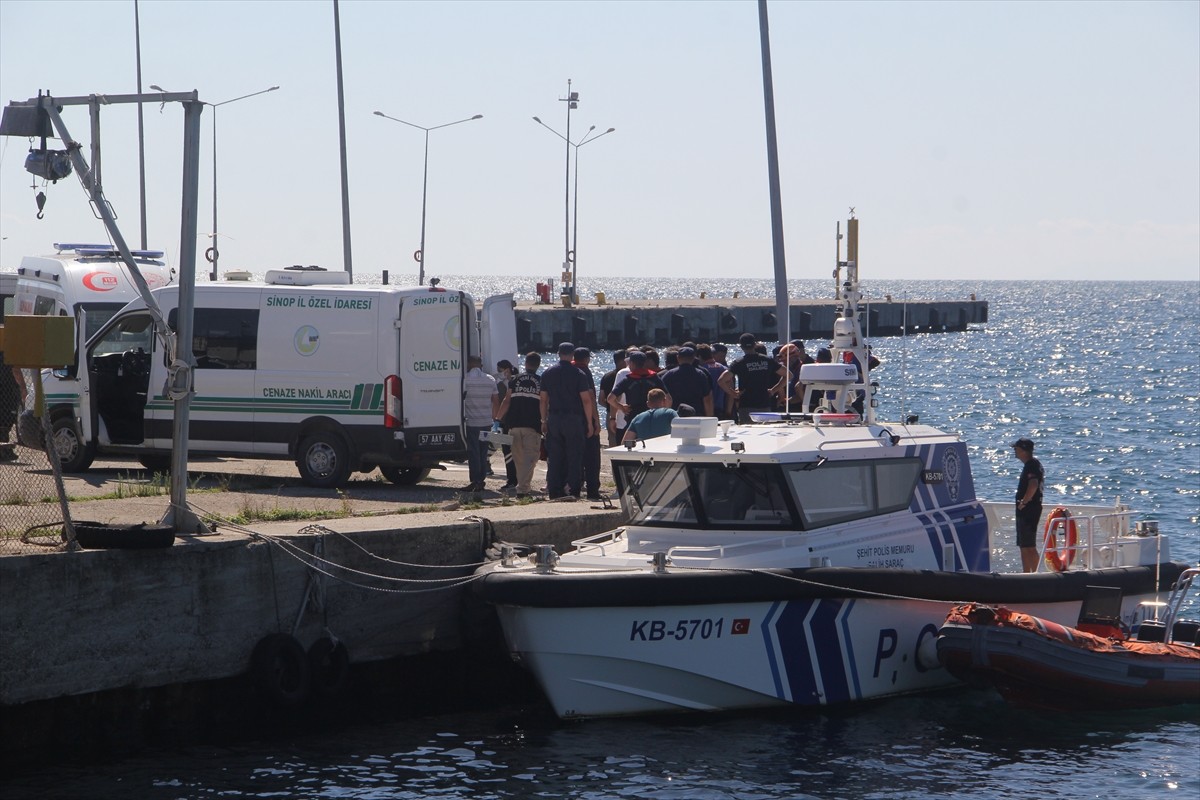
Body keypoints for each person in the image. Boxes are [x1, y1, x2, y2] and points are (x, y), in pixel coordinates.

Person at [539, 342, 596, 499]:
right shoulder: (578, 373)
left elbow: (543, 400)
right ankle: (572, 489)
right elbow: (586, 400)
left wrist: (543, 420)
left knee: (555, 455)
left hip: (554, 418)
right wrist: (590, 423)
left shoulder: (548, 373)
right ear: (572, 355)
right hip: (573, 418)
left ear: (558, 353)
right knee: (574, 455)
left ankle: (554, 490)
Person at [497, 352, 542, 498]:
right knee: (530, 458)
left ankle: (522, 487)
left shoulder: (515, 380)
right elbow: (544, 403)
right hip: (532, 425)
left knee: (518, 458)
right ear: (538, 365)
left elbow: (507, 401)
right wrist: (545, 421)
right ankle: (522, 489)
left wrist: (498, 419)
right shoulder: (540, 381)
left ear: (526, 363)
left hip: (513, 425)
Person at [718, 332, 784, 423]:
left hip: (747, 405)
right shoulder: (767, 360)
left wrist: (733, 394)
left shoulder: (739, 363)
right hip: (765, 404)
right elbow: (788, 375)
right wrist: (774, 389)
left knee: (748, 434)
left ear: (741, 347)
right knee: (765, 434)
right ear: (754, 344)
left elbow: (721, 381)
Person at [608, 351, 668, 441]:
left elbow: (610, 399)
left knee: (628, 447)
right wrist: (662, 412)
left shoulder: (627, 380)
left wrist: (621, 407)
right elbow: (669, 399)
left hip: (634, 419)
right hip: (651, 417)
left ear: (631, 363)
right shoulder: (654, 377)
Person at [463, 355, 499, 494]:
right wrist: (495, 417)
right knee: (484, 452)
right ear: (480, 364)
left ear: (469, 364)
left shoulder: (465, 379)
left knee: (474, 452)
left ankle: (475, 481)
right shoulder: (490, 379)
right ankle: (482, 480)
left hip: (472, 423)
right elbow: (495, 400)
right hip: (486, 423)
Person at [573, 347, 603, 501]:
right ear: (586, 359)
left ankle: (574, 489)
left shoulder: (568, 370)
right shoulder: (584, 371)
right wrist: (596, 421)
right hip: (586, 419)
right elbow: (590, 397)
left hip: (570, 419)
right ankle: (593, 490)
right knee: (592, 458)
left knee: (574, 456)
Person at [1012, 438, 1044, 572]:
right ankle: (1028, 573)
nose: (1015, 452)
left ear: (1023, 451)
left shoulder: (1031, 465)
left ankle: (1034, 575)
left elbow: (1033, 485)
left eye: (1017, 449)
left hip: (1029, 510)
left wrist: (1024, 502)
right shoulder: (1033, 464)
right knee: (1024, 545)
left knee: (1028, 546)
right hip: (1028, 509)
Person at [659, 345, 713, 416]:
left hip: (675, 415)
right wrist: (710, 417)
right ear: (693, 359)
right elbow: (707, 399)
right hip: (696, 415)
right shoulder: (701, 375)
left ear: (678, 358)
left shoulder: (669, 375)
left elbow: (662, 396)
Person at [494, 360, 518, 489]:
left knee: (508, 452)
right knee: (514, 451)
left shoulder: (505, 385)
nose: (499, 373)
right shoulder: (517, 381)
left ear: (506, 370)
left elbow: (504, 402)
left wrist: (497, 420)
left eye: (499, 370)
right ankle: (517, 479)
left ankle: (512, 480)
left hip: (506, 422)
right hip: (514, 422)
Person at [598, 349, 626, 446]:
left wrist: (611, 407)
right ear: (623, 361)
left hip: (610, 413)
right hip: (626, 411)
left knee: (613, 442)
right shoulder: (626, 375)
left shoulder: (607, 376)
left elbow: (601, 400)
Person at [697, 344, 729, 420]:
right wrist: (729, 410)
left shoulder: (701, 371)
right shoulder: (723, 368)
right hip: (721, 408)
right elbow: (730, 390)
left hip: (705, 409)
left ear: (699, 357)